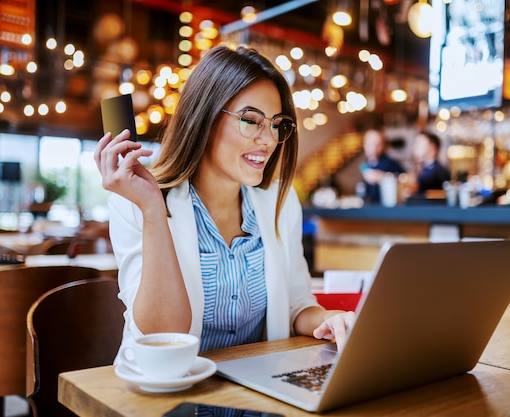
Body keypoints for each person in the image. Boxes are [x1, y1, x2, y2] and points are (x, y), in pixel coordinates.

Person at [94, 45, 355, 359]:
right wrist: (152, 209)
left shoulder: (279, 203)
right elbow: (164, 336)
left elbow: (296, 306)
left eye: (276, 125)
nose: (269, 139)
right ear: (204, 117)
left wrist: (328, 319)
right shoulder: (134, 203)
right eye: (251, 120)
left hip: (255, 391)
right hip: (163, 391)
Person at [359, 129, 405, 203]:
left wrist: (383, 177)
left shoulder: (390, 163)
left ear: (383, 145)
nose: (374, 148)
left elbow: (405, 179)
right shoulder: (366, 164)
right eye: (370, 144)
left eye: (377, 145)